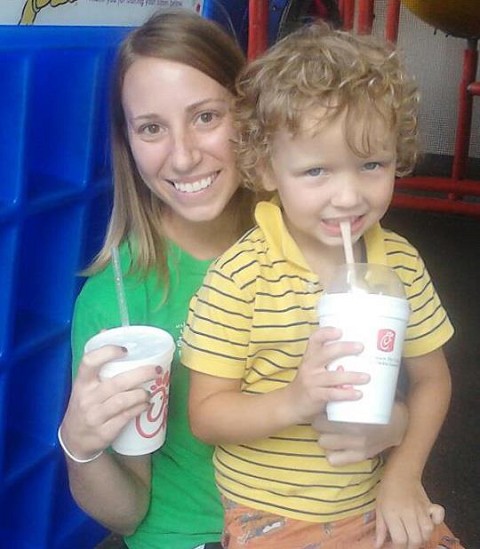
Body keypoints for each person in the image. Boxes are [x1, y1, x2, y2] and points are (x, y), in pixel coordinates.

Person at [58, 10, 409, 549]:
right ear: (128, 142)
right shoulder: (117, 301)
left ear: (252, 121)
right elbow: (126, 515)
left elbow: (391, 396)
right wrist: (79, 445)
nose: (183, 156)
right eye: (151, 128)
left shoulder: (327, 234)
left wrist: (394, 428)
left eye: (205, 117)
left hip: (343, 521)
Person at [182, 22, 462, 548]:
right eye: (316, 172)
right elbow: (206, 415)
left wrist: (404, 475)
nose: (349, 196)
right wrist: (296, 399)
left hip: (378, 495)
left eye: (371, 164)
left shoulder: (400, 264)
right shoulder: (240, 278)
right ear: (267, 169)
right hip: (273, 514)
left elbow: (433, 380)